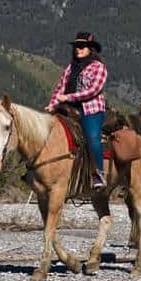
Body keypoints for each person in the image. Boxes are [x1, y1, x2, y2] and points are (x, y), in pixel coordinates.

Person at [46, 32, 108, 188]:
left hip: (91, 109)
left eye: (81, 46)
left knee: (92, 136)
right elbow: (60, 88)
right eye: (76, 46)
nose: (77, 49)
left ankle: (98, 173)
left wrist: (69, 97)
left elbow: (93, 90)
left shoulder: (98, 67)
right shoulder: (70, 68)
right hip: (69, 108)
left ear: (90, 49)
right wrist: (52, 104)